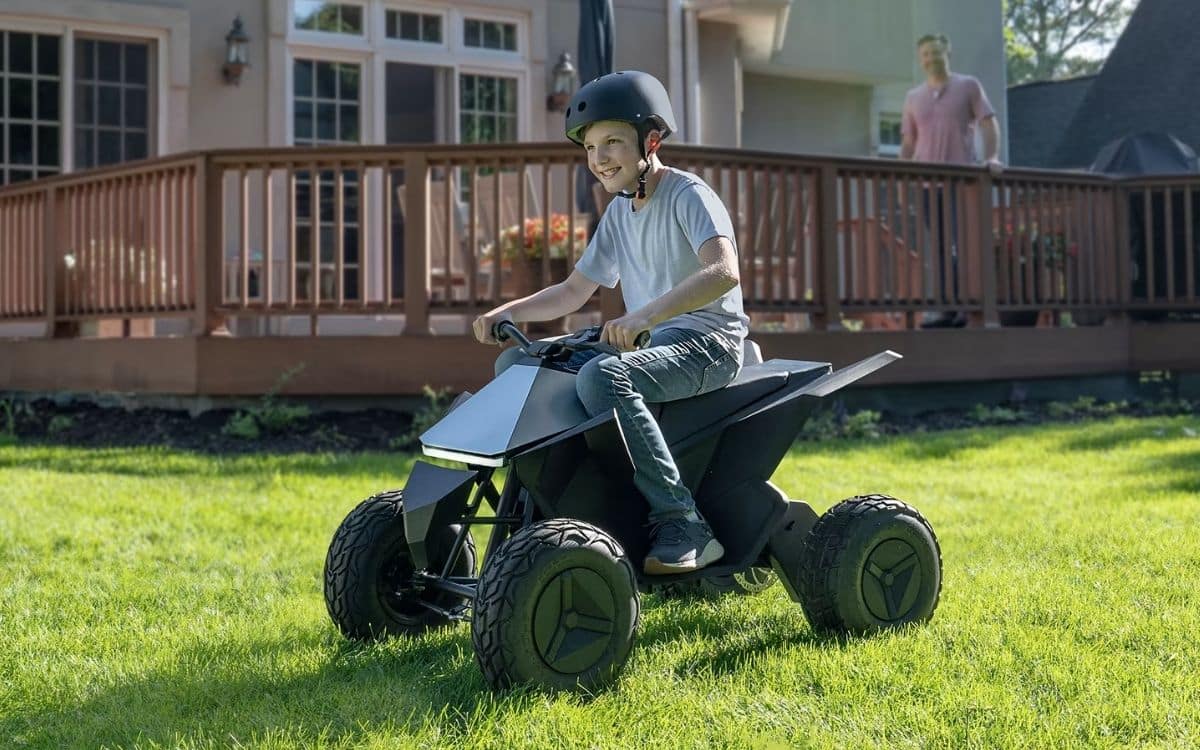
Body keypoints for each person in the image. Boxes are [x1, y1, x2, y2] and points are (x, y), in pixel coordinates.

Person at [471, 70, 749, 575]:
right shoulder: (621, 213)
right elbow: (575, 290)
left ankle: (683, 521)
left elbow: (724, 272)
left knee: (602, 376)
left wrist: (645, 314)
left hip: (709, 342)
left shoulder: (688, 195)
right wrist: (511, 312)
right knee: (520, 361)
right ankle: (537, 512)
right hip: (650, 340)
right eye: (591, 147)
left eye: (613, 142)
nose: (600, 159)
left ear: (651, 141)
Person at [901, 33, 1003, 327]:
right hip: (926, 185)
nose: (931, 58)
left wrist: (992, 157)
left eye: (935, 52)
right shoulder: (913, 98)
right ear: (921, 60)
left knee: (963, 245)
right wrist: (900, 177)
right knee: (940, 248)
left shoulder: (967, 86)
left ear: (947, 52)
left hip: (961, 183)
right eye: (925, 55)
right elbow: (909, 144)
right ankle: (948, 309)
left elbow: (988, 122)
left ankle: (963, 307)